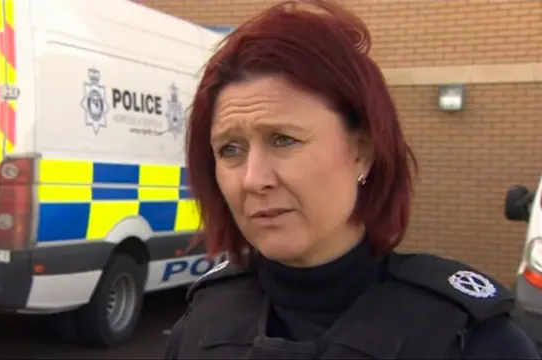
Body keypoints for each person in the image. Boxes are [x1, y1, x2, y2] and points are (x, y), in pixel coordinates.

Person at [164, 0, 541, 359]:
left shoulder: (472, 341)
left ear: (362, 151)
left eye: (283, 139)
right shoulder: (200, 326)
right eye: (230, 149)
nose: (253, 179)